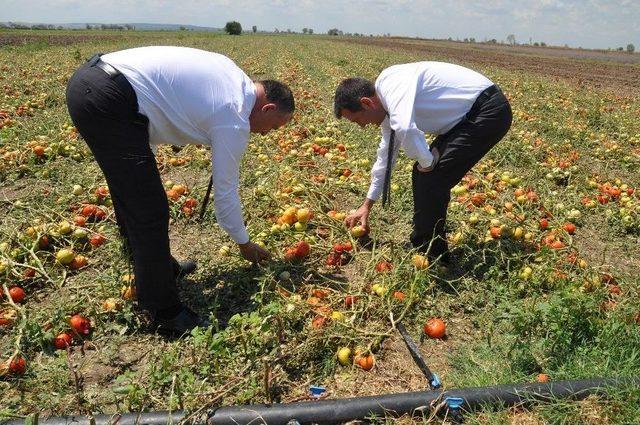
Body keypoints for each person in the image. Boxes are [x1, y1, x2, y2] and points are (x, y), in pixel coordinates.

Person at [66, 46, 294, 334]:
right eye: (273, 127)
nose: (266, 134)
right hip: (107, 98)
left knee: (135, 196)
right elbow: (225, 192)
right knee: (148, 209)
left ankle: (159, 271)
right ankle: (165, 312)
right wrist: (244, 243)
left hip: (99, 84)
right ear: (268, 108)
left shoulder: (232, 76)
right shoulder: (234, 113)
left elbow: (169, 99)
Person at [334, 61, 512, 264]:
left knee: (432, 176)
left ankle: (434, 255)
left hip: (488, 111)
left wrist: (427, 163)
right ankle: (424, 244)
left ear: (367, 103)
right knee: (424, 173)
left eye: (358, 120)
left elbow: (405, 128)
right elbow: (386, 156)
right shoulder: (388, 107)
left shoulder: (391, 84)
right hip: (466, 118)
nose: (363, 126)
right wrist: (367, 205)